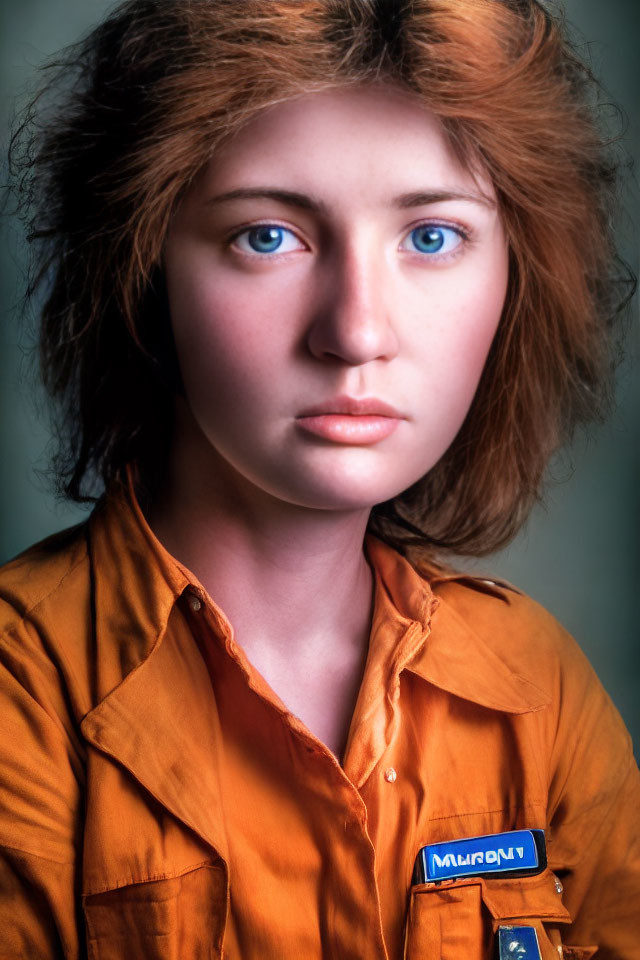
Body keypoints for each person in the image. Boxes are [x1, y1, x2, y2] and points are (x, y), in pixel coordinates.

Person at [1, 0, 638, 957]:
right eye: (268, 236)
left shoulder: (537, 686)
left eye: (431, 237)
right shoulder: (22, 691)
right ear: (143, 272)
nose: (357, 333)